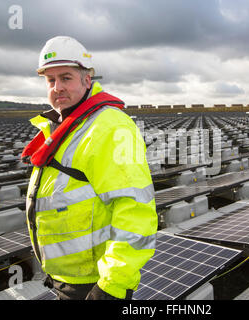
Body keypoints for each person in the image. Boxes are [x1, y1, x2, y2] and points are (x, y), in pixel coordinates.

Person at [21, 36, 158, 300]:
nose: (57, 87)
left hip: (95, 285)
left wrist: (113, 286)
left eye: (66, 77)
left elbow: (135, 210)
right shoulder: (65, 126)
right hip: (68, 279)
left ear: (87, 80)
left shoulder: (109, 127)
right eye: (51, 80)